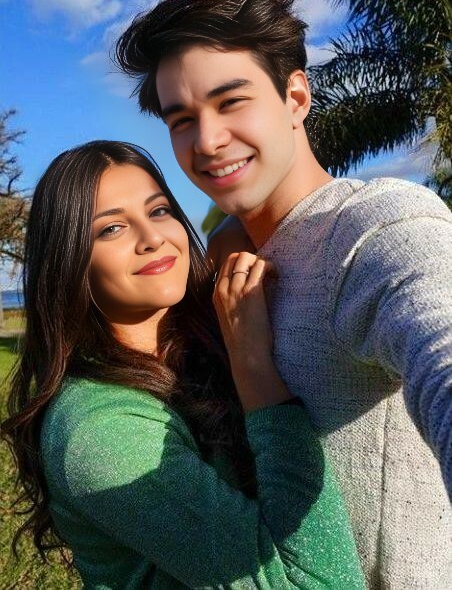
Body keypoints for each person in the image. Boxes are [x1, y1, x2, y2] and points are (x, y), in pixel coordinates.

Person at [114, 0, 452, 589]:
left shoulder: (375, 227)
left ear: (296, 97)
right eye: (181, 119)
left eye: (231, 101)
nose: (208, 141)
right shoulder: (229, 255)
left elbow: (440, 340)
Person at [2, 140, 365, 589]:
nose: (153, 238)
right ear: (68, 262)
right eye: (111, 229)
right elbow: (323, 583)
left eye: (158, 211)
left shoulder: (194, 340)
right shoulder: (102, 432)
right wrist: (252, 364)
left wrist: (231, 231)